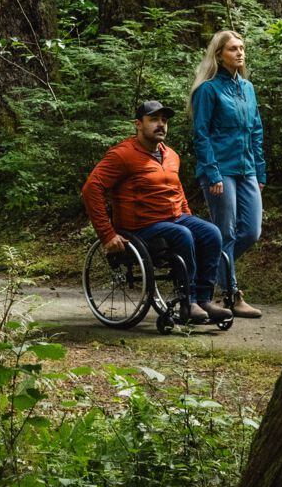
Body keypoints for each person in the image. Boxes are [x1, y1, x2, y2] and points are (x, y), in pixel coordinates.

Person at [81, 99, 231, 328]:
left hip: (174, 218)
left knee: (211, 233)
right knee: (183, 234)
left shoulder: (171, 155)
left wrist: (189, 217)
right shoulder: (122, 155)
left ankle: (203, 299)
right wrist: (107, 234)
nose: (161, 124)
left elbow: (177, 190)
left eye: (164, 120)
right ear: (138, 124)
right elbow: (91, 188)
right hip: (141, 226)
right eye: (154, 119)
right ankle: (187, 302)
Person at [190, 28, 266, 318]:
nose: (240, 53)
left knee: (251, 231)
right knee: (226, 232)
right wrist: (212, 173)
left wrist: (260, 171)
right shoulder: (208, 90)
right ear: (219, 55)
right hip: (220, 170)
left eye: (242, 48)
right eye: (233, 49)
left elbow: (256, 130)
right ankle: (231, 295)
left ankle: (206, 264)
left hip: (246, 169)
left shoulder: (247, 88)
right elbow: (201, 135)